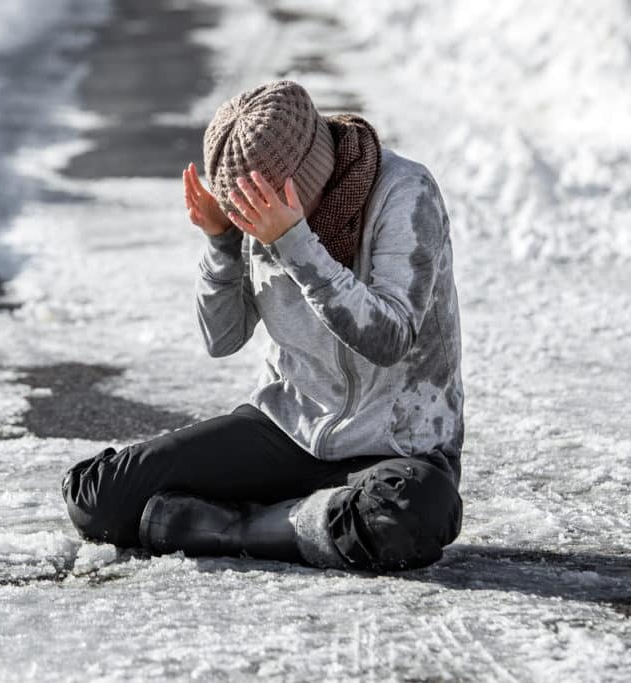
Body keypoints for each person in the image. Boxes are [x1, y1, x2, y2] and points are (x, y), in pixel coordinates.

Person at [61, 80, 463, 571]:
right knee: (98, 499)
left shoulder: (405, 192)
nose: (254, 224)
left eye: (256, 211)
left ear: (306, 180)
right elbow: (222, 338)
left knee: (410, 514)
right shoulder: (257, 207)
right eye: (242, 211)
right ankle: (302, 521)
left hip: (395, 447)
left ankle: (229, 528)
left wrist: (295, 242)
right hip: (286, 431)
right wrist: (223, 241)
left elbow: (389, 336)